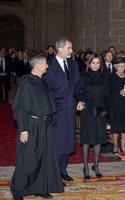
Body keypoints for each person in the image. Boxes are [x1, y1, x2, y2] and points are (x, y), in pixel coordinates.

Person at [11, 55, 64, 200]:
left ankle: (40, 188)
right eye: (45, 64)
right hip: (31, 125)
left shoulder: (42, 82)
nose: (47, 66)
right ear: (39, 65)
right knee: (28, 158)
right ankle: (19, 190)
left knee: (43, 157)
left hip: (44, 125)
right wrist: (23, 130)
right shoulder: (27, 83)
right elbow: (20, 108)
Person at [43, 37, 85, 182]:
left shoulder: (73, 64)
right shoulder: (49, 65)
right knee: (57, 142)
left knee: (68, 141)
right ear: (60, 49)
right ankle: (54, 173)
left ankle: (63, 170)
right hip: (56, 110)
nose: (72, 51)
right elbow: (45, 90)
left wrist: (80, 99)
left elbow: (78, 85)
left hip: (70, 109)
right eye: (69, 48)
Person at [80, 53, 109, 179]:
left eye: (98, 63)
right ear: (89, 63)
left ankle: (96, 165)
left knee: (98, 139)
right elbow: (80, 91)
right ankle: (85, 166)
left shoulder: (105, 76)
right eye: (93, 62)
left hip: (101, 109)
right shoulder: (83, 76)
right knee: (87, 139)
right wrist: (82, 102)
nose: (95, 65)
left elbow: (108, 94)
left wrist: (106, 108)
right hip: (88, 109)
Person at [110, 57, 125, 153]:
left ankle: (123, 145)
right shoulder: (111, 77)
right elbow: (108, 92)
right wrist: (118, 92)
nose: (121, 68)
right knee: (115, 127)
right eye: (119, 66)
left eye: (123, 66)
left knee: (124, 126)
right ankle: (116, 145)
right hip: (115, 105)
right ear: (116, 67)